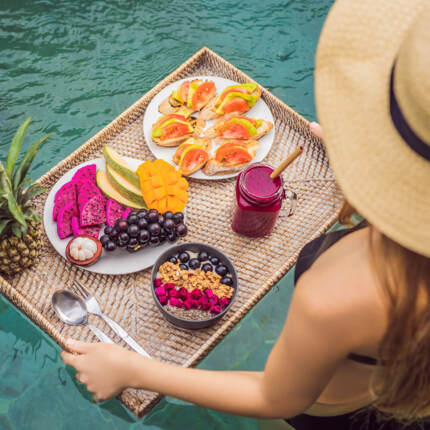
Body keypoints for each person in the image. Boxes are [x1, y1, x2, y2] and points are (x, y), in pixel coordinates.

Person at [61, 0, 430, 428]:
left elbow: (274, 397)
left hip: (332, 411)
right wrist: (369, 163)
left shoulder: (339, 293)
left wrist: (133, 370)